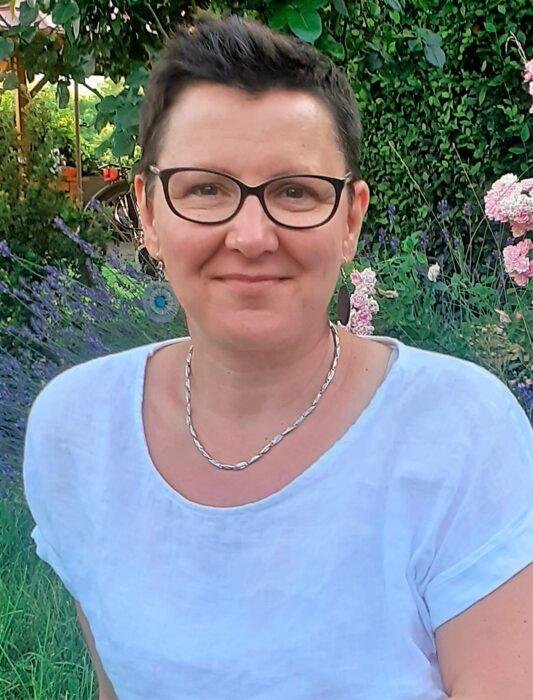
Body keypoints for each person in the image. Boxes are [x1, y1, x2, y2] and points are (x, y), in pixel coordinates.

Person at [23, 14, 532, 700]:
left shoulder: (461, 434)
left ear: (349, 219)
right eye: (205, 188)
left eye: (295, 191)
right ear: (147, 212)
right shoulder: (77, 429)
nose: (251, 236)